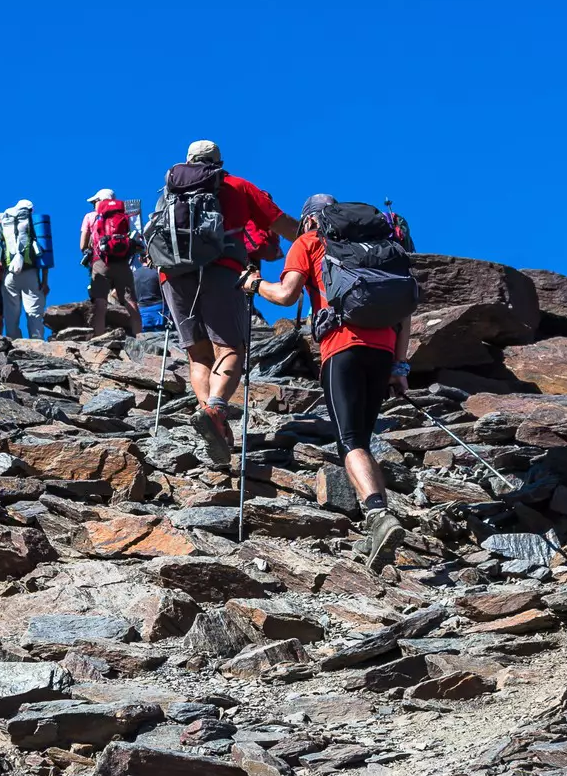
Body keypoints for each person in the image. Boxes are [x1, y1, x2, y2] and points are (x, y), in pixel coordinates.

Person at [243, 194, 412, 513]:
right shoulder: (377, 247)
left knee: (350, 440)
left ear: (308, 219)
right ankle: (379, 515)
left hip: (341, 348)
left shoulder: (308, 241)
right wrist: (399, 367)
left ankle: (377, 512)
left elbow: (285, 295)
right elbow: (406, 312)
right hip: (384, 351)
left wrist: (254, 284)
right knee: (361, 437)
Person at [154, 140, 297, 454]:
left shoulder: (169, 191)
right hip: (222, 269)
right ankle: (216, 408)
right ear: (218, 162)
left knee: (198, 354)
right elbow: (281, 224)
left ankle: (211, 422)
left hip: (172, 275)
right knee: (230, 347)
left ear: (188, 161)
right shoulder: (236, 186)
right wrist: (313, 241)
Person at [78, 188, 141, 335]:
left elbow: (82, 246)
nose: (93, 205)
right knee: (130, 301)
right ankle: (140, 337)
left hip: (100, 262)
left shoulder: (90, 217)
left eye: (94, 202)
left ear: (99, 201)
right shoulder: (124, 215)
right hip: (122, 262)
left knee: (100, 302)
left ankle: (99, 337)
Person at [0, 199, 50, 340]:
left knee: (11, 313)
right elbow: (44, 254)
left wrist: (1, 274)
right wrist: (44, 281)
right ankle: (36, 344)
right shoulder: (33, 224)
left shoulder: (5, 221)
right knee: (34, 311)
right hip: (30, 273)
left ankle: (12, 343)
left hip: (9, 275)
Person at [133, 259, 167, 331]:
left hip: (143, 311)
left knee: (146, 339)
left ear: (139, 259)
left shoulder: (133, 274)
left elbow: (116, 293)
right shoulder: (158, 272)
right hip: (160, 310)